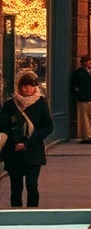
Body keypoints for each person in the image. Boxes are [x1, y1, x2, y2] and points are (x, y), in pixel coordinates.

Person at [0, 68, 53, 207]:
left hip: (33, 150)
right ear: (19, 86)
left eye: (31, 85)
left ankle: (32, 213)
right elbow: (3, 128)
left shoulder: (41, 103)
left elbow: (48, 126)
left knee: (32, 184)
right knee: (16, 188)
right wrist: (14, 143)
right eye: (25, 85)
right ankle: (16, 215)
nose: (28, 89)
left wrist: (28, 143)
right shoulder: (9, 105)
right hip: (14, 152)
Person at [70, 53, 91, 143]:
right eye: (88, 62)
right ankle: (87, 137)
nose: (90, 64)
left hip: (89, 98)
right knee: (85, 118)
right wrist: (79, 95)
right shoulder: (79, 73)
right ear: (83, 63)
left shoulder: (89, 72)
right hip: (83, 98)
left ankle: (86, 134)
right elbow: (74, 86)